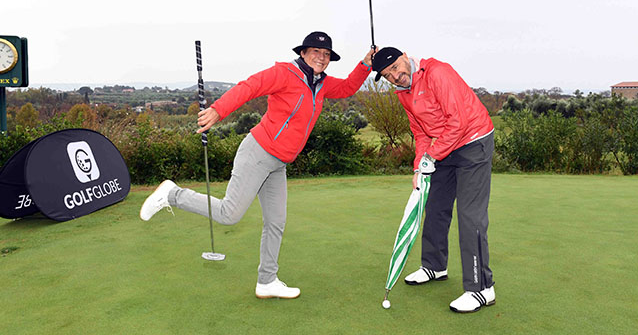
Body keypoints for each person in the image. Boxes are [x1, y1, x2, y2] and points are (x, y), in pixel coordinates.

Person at [140, 31, 375, 299]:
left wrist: (366, 64)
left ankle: (267, 281)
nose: (321, 58)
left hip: (278, 164)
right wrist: (219, 110)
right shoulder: (284, 73)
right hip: (258, 152)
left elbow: (347, 88)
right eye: (316, 52)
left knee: (276, 222)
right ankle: (172, 194)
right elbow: (249, 86)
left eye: (326, 55)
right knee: (229, 214)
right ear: (303, 53)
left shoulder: (321, 84)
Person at [371, 47, 495, 313]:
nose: (395, 76)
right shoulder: (404, 93)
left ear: (406, 56)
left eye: (395, 68)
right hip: (445, 146)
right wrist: (420, 167)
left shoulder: (438, 72)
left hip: (474, 141)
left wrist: (432, 156)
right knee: (435, 206)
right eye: (387, 74)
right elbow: (421, 132)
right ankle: (434, 266)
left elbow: (458, 122)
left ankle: (482, 288)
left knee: (470, 215)